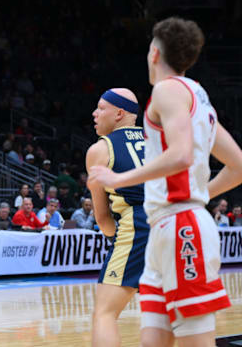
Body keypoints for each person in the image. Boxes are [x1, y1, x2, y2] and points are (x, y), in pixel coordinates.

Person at [90, 18, 242, 346]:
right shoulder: (197, 96)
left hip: (181, 226)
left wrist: (119, 177)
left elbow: (182, 155)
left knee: (194, 342)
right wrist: (200, 195)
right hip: (167, 226)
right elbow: (238, 166)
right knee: (153, 341)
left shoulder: (168, 89)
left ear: (155, 53)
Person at [85, 88, 150, 347]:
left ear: (119, 113)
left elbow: (102, 218)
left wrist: (119, 238)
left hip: (137, 228)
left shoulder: (101, 150)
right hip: (175, 223)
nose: (95, 113)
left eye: (101, 108)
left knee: (105, 314)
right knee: (165, 314)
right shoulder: (160, 139)